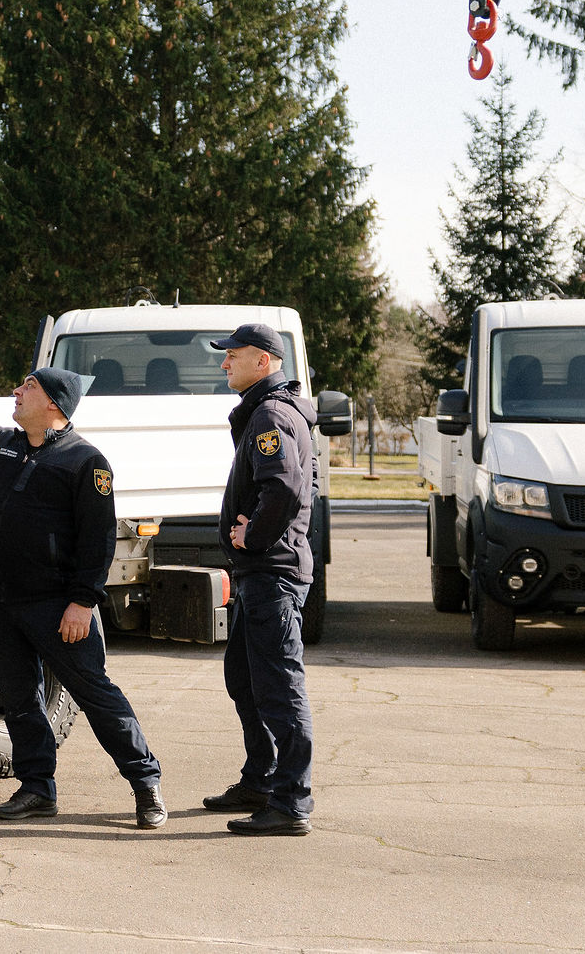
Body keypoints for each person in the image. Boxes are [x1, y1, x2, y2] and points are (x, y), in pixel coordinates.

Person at [0, 332, 166, 829]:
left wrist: (83, 602)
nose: (16, 393)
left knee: (96, 695)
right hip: (0, 601)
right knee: (20, 700)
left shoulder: (86, 462)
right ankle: (37, 788)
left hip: (58, 605)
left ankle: (144, 782)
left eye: (27, 387)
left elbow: (98, 540)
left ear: (54, 405)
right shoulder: (1, 445)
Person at [204, 322, 318, 837]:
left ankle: (291, 801)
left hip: (272, 573)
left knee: (278, 686)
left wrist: (255, 537)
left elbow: (285, 490)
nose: (224, 363)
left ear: (265, 361)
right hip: (259, 574)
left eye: (234, 355)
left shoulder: (272, 414)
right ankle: (261, 780)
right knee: (245, 681)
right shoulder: (263, 411)